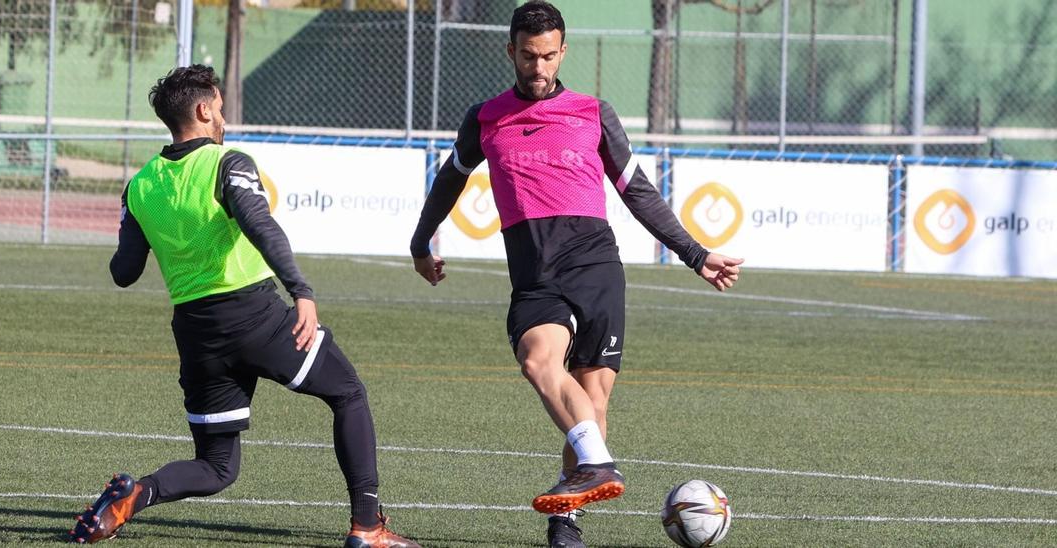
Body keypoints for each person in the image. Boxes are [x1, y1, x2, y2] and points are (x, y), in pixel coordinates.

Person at [408, 2, 743, 547]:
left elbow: (636, 191)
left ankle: (565, 522)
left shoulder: (593, 112)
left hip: (596, 268)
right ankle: (600, 465)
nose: (537, 67)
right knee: (537, 361)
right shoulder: (485, 117)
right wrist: (421, 243)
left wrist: (694, 253)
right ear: (510, 52)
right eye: (526, 56)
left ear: (563, 52)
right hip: (535, 275)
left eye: (547, 56)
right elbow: (451, 179)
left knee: (592, 400)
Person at [69, 64, 419, 548]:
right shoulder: (227, 162)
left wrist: (138, 219)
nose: (224, 116)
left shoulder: (141, 185)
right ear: (203, 108)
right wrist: (302, 291)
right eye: (219, 105)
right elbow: (261, 226)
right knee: (348, 393)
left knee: (216, 468)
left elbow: (123, 273)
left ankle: (138, 494)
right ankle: (367, 526)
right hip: (255, 317)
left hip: (196, 334)